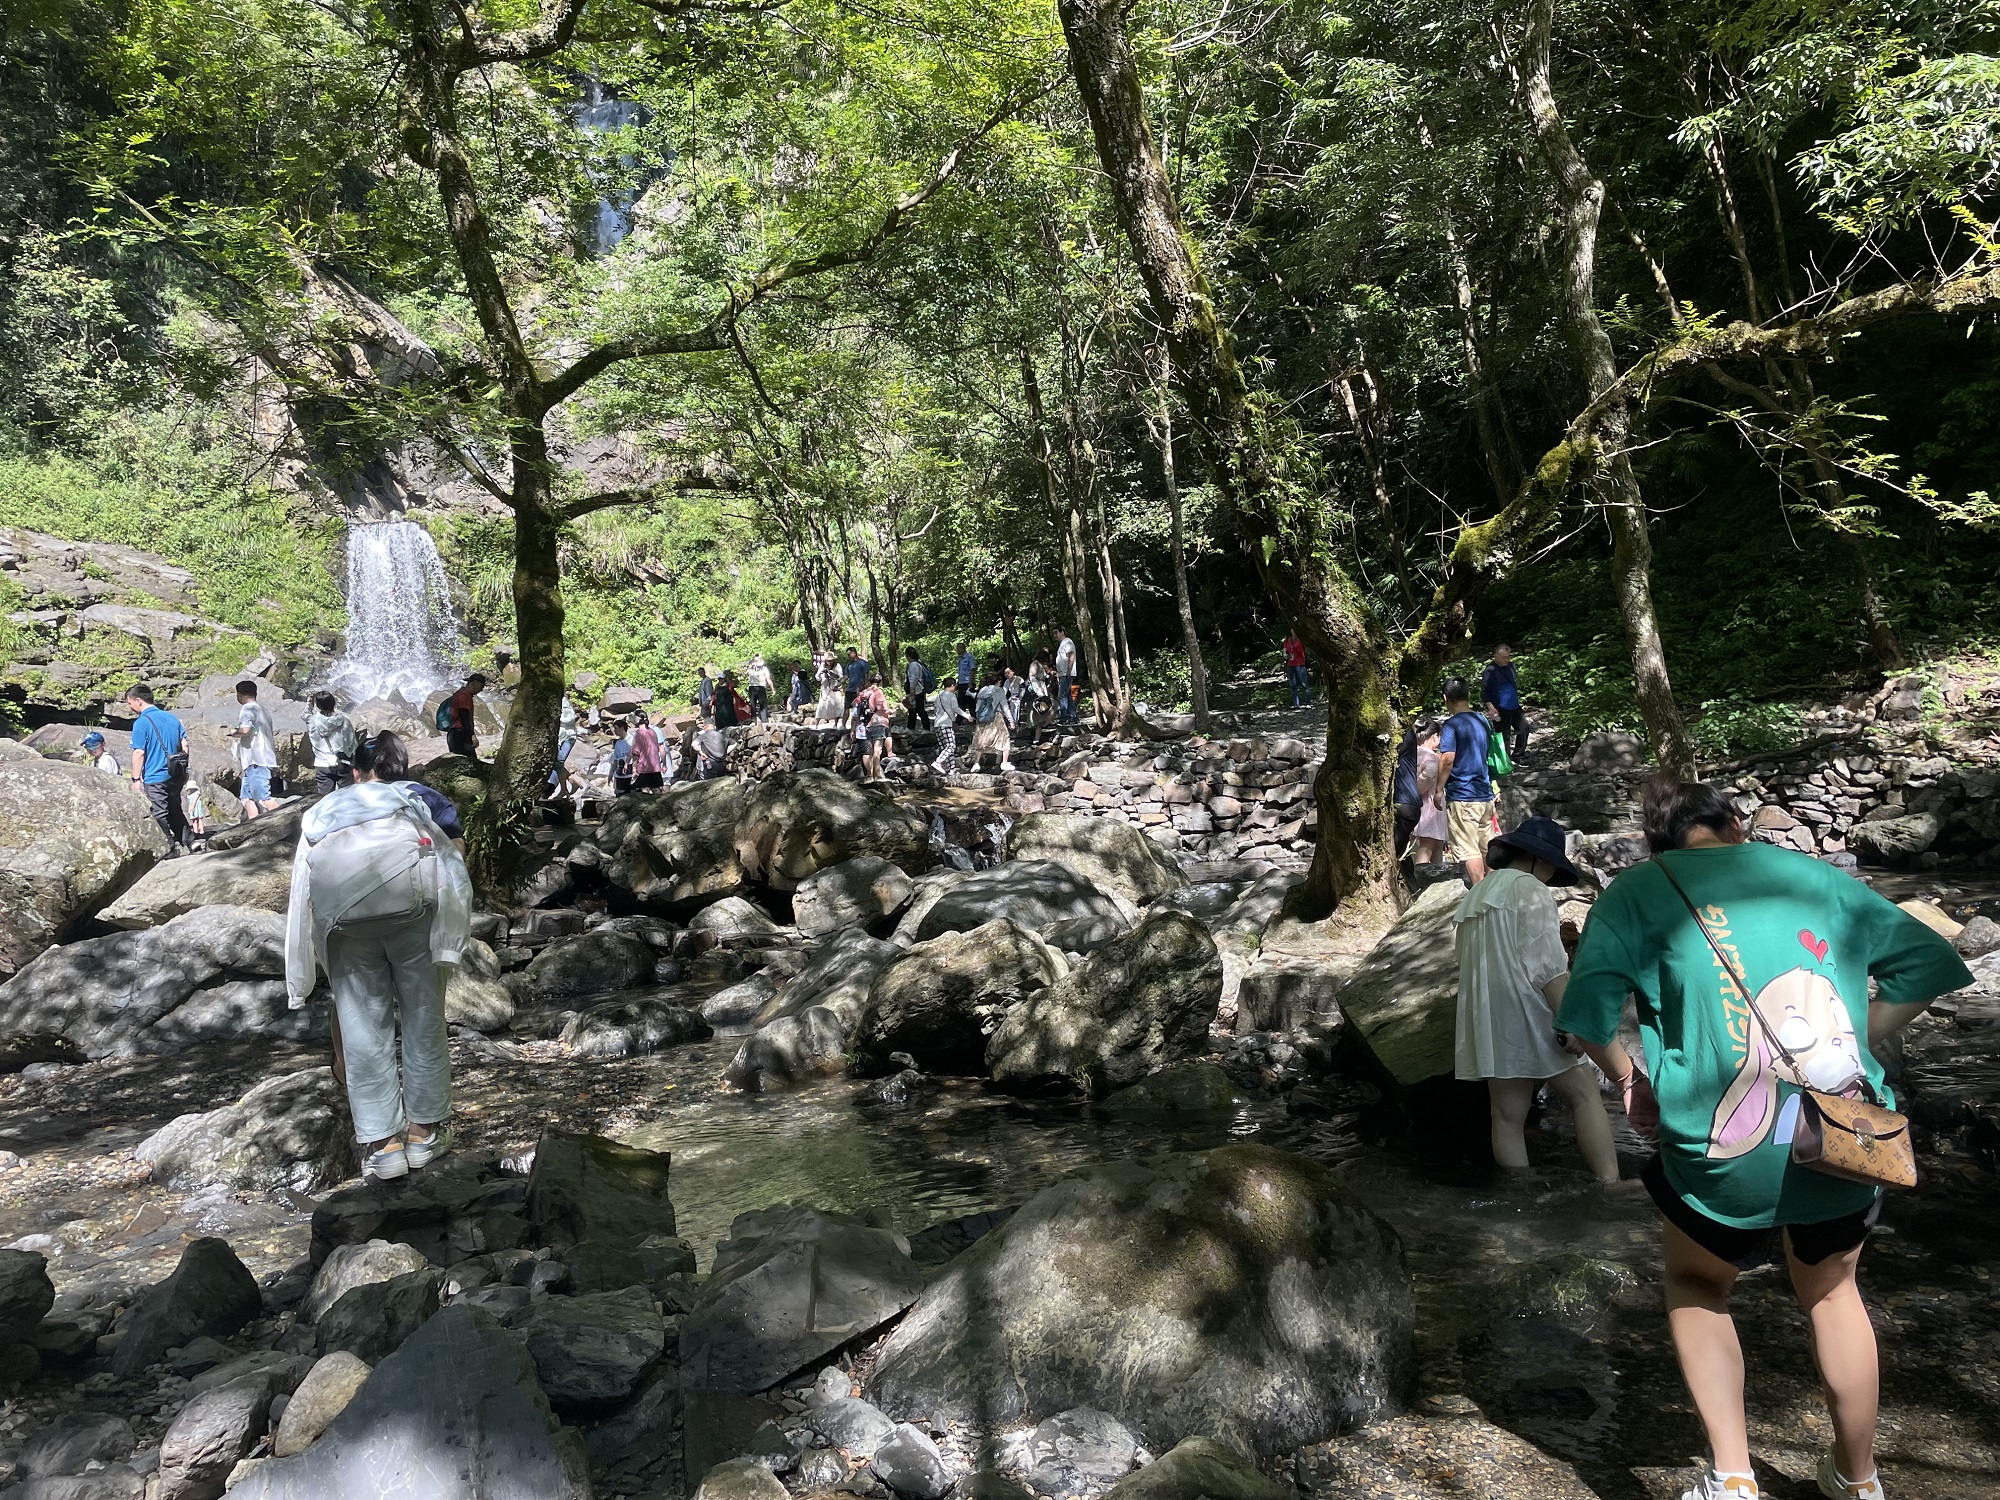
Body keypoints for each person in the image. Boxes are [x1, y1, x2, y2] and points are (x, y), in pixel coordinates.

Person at [1559, 775, 1973, 1500]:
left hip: (1722, 1145)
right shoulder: (1814, 877)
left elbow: (1586, 1018)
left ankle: (1733, 1478)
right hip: (1842, 1134)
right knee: (1834, 1293)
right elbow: (1927, 966)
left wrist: (1631, 1080)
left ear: (1659, 842)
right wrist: (1860, 1039)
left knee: (1698, 1284)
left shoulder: (1637, 890)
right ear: (1735, 826)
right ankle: (1858, 1481)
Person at [284, 730, 471, 1182]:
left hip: (345, 925)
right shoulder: (420, 797)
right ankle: (424, 1135)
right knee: (423, 1018)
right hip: (414, 917)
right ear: (401, 768)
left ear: (356, 772)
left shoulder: (326, 807)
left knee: (362, 1028)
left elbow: (304, 883)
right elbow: (455, 857)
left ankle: (383, 1146)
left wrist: (304, 963)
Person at [1454, 816, 1623, 1183]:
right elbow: (1547, 968)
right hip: (1531, 1011)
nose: (1550, 875)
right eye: (1551, 865)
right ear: (1539, 858)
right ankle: (1610, 1184)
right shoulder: (1530, 889)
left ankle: (1521, 1197)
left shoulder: (1476, 894)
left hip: (1489, 1017)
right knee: (1584, 1094)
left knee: (1506, 1116)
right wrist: (1570, 1021)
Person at [1435, 677, 1496, 882]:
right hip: (1485, 794)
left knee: (1469, 850)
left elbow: (1447, 759)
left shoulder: (1451, 725)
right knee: (1487, 846)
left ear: (1445, 699)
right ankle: (1493, 889)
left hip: (1462, 795)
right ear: (1468, 695)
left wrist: (1438, 790)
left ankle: (1479, 892)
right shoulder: (1483, 720)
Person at [125, 683, 190, 848]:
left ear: (138, 701)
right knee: (175, 809)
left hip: (155, 776)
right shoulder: (171, 718)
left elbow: (139, 752)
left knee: (159, 813)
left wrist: (136, 779)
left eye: (130, 703)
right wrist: (185, 769)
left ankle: (168, 846)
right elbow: (184, 744)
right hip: (175, 774)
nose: (130, 707)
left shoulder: (141, 722)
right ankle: (190, 841)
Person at [231, 679, 281, 819]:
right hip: (257, 761)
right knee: (246, 799)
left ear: (239, 695)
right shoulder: (264, 711)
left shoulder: (248, 708)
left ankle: (289, 821)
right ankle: (252, 826)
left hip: (256, 761)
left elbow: (245, 730)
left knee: (264, 799)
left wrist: (234, 732)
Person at [1412, 719, 1449, 866]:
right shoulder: (1431, 758)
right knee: (1428, 842)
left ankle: (1435, 874)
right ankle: (1420, 875)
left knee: (1436, 842)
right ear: (1434, 736)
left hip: (1416, 803)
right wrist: (1419, 789)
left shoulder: (1411, 754)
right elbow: (1427, 777)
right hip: (1430, 804)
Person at [1482, 644, 1528, 762]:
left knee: (1524, 728)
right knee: (1504, 736)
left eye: (1508, 657)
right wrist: (1491, 708)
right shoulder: (1490, 670)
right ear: (1495, 656)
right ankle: (1505, 760)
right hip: (1499, 707)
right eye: (1503, 657)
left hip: (1514, 705)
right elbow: (1485, 691)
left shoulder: (1511, 666)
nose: (1506, 660)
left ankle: (1518, 754)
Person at [307, 692, 359, 795]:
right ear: (334, 703)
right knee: (346, 798)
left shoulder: (312, 721)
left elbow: (305, 714)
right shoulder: (344, 720)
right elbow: (352, 743)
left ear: (318, 705)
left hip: (322, 764)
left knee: (324, 799)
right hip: (343, 762)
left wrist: (309, 704)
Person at [969, 667, 1014, 772]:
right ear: (997, 681)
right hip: (995, 717)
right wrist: (1011, 721)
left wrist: (978, 717)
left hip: (982, 718)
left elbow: (977, 707)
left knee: (981, 740)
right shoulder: (999, 690)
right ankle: (1004, 763)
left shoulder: (982, 690)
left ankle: (976, 763)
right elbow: (1005, 706)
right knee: (1004, 738)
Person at [852, 670, 892, 781]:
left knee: (869, 751)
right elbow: (881, 707)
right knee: (877, 751)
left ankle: (870, 775)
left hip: (867, 724)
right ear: (880, 681)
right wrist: (890, 712)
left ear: (870, 681)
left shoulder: (864, 692)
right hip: (878, 722)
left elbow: (854, 704)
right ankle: (877, 776)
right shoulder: (878, 691)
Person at [445, 674, 485, 760]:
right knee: (471, 762)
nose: (481, 690)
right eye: (481, 686)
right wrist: (472, 735)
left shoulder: (460, 693)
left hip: (454, 735)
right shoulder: (464, 695)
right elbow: (464, 716)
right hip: (460, 735)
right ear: (475, 683)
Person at [629, 710, 664, 791]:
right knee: (656, 791)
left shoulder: (638, 734)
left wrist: (634, 768)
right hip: (655, 767)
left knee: (644, 792)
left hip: (643, 768)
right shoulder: (652, 732)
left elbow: (635, 753)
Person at [904, 647, 934, 730]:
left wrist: (911, 689)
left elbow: (913, 678)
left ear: (908, 655)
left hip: (917, 690)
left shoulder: (913, 665)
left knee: (919, 710)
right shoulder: (918, 663)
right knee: (913, 710)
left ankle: (925, 727)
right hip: (918, 690)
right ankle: (911, 727)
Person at [1054, 629, 1078, 725]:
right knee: (1067, 696)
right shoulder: (1062, 644)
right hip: (1062, 673)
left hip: (1066, 673)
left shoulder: (1067, 642)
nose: (1055, 635)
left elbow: (1071, 655)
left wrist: (1069, 670)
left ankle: (1064, 718)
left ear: (1062, 632)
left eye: (1056, 632)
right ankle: (1072, 717)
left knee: (1062, 695)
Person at [1283, 630, 1311, 708]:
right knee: (1293, 685)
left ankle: (1308, 703)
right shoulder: (1288, 640)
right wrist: (1286, 655)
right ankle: (1296, 704)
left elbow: (1303, 650)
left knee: (1304, 684)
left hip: (1300, 664)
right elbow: (1284, 651)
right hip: (1290, 664)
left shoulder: (1301, 640)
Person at [182, 777, 212, 848]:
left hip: (196, 808)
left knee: (199, 819)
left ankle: (201, 830)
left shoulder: (197, 793)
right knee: (194, 820)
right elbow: (190, 803)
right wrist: (190, 808)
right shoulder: (189, 795)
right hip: (192, 809)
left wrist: (193, 806)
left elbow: (195, 800)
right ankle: (195, 831)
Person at [816, 658, 846, 723]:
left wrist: (831, 673)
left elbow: (840, 677)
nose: (829, 662)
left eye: (831, 660)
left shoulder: (837, 666)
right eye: (828, 660)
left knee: (836, 704)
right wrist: (821, 673)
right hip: (825, 688)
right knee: (822, 705)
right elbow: (817, 677)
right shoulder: (822, 665)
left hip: (834, 687)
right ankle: (817, 724)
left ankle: (836, 723)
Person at [746, 656, 773, 721]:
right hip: (755, 687)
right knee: (756, 704)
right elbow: (768, 679)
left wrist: (772, 688)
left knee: (759, 704)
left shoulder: (762, 669)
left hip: (758, 687)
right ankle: (758, 720)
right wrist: (772, 689)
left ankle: (761, 720)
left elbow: (768, 679)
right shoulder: (752, 669)